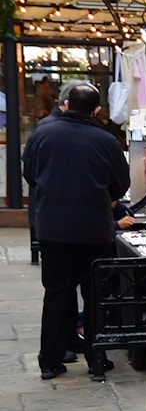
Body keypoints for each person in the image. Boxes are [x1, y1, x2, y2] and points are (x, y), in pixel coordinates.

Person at [22, 83, 130, 380]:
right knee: (94, 293)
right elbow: (121, 184)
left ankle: (50, 360)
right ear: (96, 110)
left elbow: (30, 174)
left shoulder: (42, 134)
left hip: (52, 227)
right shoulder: (105, 140)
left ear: (67, 104)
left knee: (56, 292)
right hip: (93, 228)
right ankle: (96, 360)